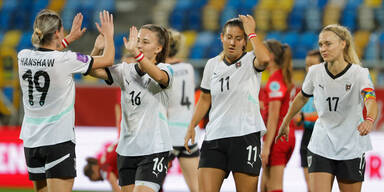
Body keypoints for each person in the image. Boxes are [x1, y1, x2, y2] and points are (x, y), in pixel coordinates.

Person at [18, 9, 114, 192]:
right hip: (57, 140)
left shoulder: (23, 56)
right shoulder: (66, 60)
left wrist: (68, 39)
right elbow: (108, 60)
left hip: (31, 141)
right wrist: (109, 36)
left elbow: (47, 55)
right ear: (56, 32)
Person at [276, 24, 378, 192]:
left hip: (351, 146)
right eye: (321, 44)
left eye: (328, 44)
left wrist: (369, 119)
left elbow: (370, 100)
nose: (323, 48)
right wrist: (286, 122)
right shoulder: (315, 72)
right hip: (321, 144)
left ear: (343, 44)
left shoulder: (359, 74)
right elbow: (301, 97)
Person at [184, 15, 271, 192]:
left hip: (245, 135)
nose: (232, 42)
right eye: (229, 37)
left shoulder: (250, 60)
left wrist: (252, 33)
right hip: (214, 137)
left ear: (244, 41)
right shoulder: (211, 64)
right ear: (222, 38)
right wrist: (192, 125)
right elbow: (205, 98)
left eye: (238, 38)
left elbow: (265, 60)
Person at [89, 24, 173, 192]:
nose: (139, 45)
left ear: (158, 48)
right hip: (126, 151)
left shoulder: (166, 69)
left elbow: (159, 77)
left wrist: (136, 53)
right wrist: (97, 49)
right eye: (138, 40)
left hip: (154, 149)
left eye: (145, 42)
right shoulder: (125, 71)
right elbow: (91, 70)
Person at [260, 40, 296, 192]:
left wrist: (266, 147)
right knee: (265, 186)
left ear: (271, 56)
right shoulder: (283, 77)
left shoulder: (275, 81)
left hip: (277, 138)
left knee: (274, 187)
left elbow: (273, 117)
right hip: (286, 136)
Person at [165, 29, 199, 192]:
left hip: (167, 133)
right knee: (198, 188)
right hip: (187, 133)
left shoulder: (160, 70)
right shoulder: (188, 68)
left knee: (151, 184)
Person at [297, 50, 323, 192]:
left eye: (312, 65)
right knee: (310, 186)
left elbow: (325, 114)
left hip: (321, 137)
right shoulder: (305, 87)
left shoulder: (327, 88)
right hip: (307, 136)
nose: (308, 69)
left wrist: (303, 117)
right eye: (307, 65)